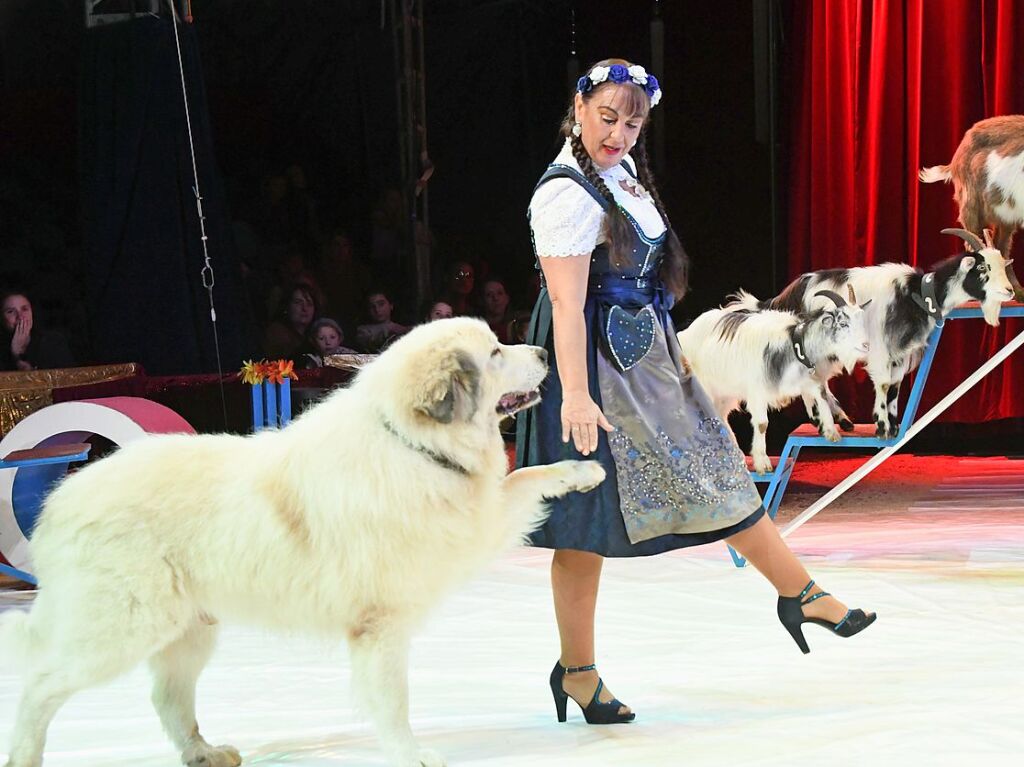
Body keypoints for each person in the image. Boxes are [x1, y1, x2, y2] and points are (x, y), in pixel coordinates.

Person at [515, 59, 876, 725]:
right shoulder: (565, 192)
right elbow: (566, 306)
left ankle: (798, 590)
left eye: (632, 122)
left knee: (719, 471)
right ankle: (579, 671)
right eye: (607, 117)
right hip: (595, 372)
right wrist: (573, 395)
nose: (620, 132)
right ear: (579, 105)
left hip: (648, 358)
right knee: (583, 523)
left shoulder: (620, 175)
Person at [1, 289, 75, 371]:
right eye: (11, 311)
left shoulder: (54, 341)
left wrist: (19, 355)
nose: (20, 317)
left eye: (25, 309)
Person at [263, 281, 319, 360]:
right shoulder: (276, 333)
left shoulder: (318, 333)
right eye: (298, 302)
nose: (305, 308)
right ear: (287, 306)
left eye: (309, 303)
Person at [355, 288, 409, 353]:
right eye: (371, 307)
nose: (377, 310)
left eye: (381, 304)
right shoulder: (362, 331)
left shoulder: (401, 328)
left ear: (391, 305)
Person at [481, 277, 513, 342]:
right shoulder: (475, 328)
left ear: (507, 299)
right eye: (489, 295)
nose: (495, 298)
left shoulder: (517, 328)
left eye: (499, 293)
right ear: (482, 301)